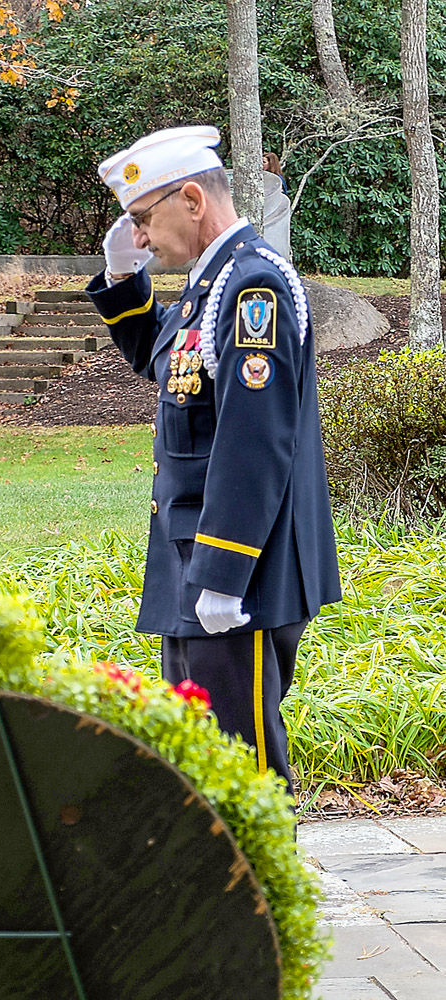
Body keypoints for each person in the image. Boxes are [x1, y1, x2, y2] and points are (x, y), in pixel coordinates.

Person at [87, 126, 340, 793]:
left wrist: (224, 574)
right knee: (206, 767)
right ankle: (232, 895)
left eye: (142, 219)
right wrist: (120, 281)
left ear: (192, 200)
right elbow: (162, 359)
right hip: (196, 566)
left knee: (243, 767)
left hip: (237, 572)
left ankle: (268, 896)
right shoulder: (215, 282)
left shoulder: (252, 286)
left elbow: (253, 440)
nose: (139, 236)